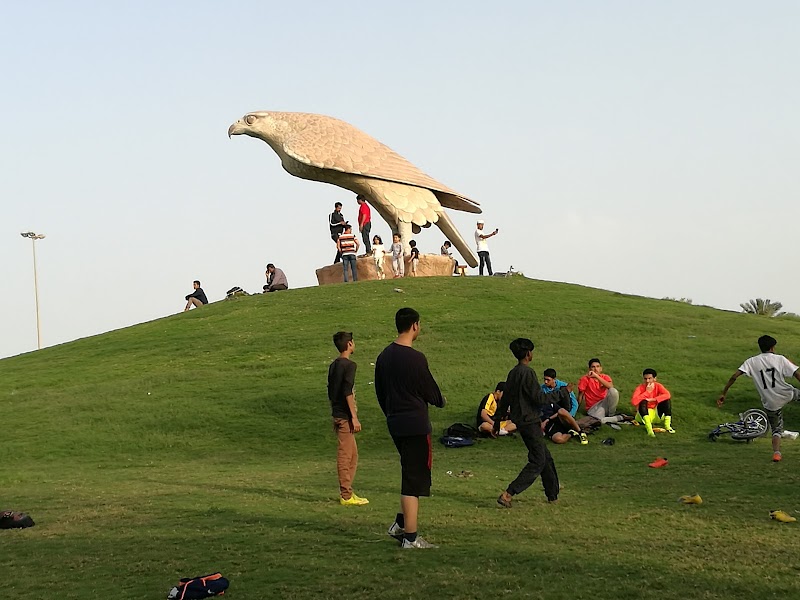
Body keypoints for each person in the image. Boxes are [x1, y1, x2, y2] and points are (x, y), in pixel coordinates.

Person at [375, 307, 446, 549]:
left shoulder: (384, 356)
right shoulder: (416, 358)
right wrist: (440, 400)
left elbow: (380, 392)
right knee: (414, 481)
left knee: (410, 472)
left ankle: (400, 524)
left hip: (396, 422)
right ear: (415, 325)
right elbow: (431, 391)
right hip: (415, 424)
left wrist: (391, 413)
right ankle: (411, 538)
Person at [494, 338, 560, 508]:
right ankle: (508, 494)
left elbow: (505, 399)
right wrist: (560, 393)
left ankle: (552, 495)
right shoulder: (528, 373)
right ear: (528, 354)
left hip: (522, 421)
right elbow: (539, 398)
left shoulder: (513, 373)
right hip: (530, 421)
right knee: (538, 460)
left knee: (546, 458)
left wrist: (497, 422)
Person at [718, 335, 800, 462]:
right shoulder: (780, 359)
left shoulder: (751, 362)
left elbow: (734, 376)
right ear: (772, 347)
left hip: (770, 402)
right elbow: (796, 374)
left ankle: (777, 453)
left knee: (776, 429)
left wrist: (724, 393)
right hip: (787, 393)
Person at [327, 331, 368, 506]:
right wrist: (354, 417)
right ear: (350, 344)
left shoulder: (333, 365)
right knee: (345, 456)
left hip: (338, 414)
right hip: (345, 417)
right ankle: (346, 495)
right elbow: (347, 392)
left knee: (353, 455)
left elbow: (331, 391)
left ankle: (348, 491)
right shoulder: (349, 365)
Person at [577, 358, 628, 429]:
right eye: (593, 367)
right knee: (598, 420)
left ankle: (611, 416)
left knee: (613, 391)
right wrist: (576, 409)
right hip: (593, 408)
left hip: (604, 403)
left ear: (601, 368)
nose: (596, 369)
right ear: (589, 369)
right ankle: (618, 418)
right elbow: (580, 395)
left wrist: (597, 376)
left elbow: (610, 386)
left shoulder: (605, 377)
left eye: (598, 366)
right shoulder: (585, 379)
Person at [631, 368, 674, 437]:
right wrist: (647, 392)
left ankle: (668, 426)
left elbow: (667, 395)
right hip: (643, 417)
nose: (647, 381)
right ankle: (649, 429)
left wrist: (654, 399)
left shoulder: (658, 386)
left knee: (666, 400)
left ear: (654, 379)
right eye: (645, 379)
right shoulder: (640, 388)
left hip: (656, 414)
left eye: (649, 378)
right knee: (643, 402)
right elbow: (634, 402)